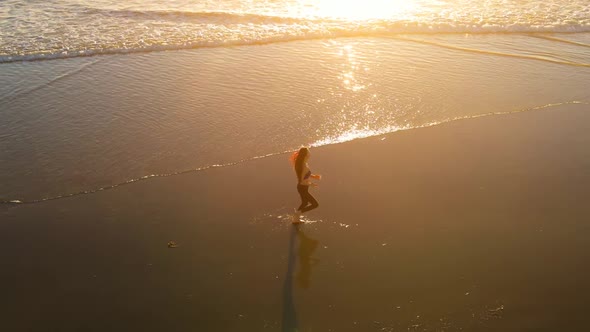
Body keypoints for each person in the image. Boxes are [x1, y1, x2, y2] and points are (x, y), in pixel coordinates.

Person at [290, 147, 321, 222]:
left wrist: (314, 176)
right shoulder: (303, 165)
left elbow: (305, 175)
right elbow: (302, 181)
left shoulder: (304, 164)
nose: (310, 153)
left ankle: (295, 218)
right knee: (315, 204)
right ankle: (297, 214)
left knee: (304, 203)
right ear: (305, 154)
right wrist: (311, 184)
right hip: (302, 187)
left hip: (302, 187)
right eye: (308, 152)